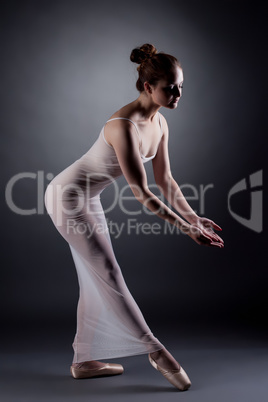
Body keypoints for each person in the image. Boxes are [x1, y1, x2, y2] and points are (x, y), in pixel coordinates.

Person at [44, 43, 224, 391]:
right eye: (170, 88)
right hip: (66, 197)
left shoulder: (160, 123)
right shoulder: (122, 126)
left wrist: (194, 217)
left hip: (89, 198)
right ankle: (155, 351)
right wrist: (185, 228)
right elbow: (141, 192)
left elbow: (165, 181)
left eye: (180, 87)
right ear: (147, 87)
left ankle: (83, 361)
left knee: (96, 276)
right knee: (108, 271)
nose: (177, 94)